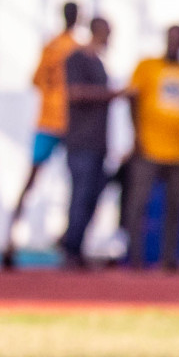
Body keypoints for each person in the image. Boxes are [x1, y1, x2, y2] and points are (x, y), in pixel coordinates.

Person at [3, 2, 80, 270]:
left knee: (31, 181)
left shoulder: (50, 46)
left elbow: (35, 80)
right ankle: (70, 245)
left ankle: (9, 239)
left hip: (47, 120)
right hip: (66, 122)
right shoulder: (76, 49)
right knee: (75, 183)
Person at [125, 25, 179, 271]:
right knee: (139, 204)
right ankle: (135, 258)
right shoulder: (147, 66)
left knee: (175, 209)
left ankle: (169, 260)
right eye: (171, 38)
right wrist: (136, 136)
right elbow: (133, 99)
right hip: (150, 147)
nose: (174, 43)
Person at [60, 17, 119, 268]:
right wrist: (112, 95)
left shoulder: (99, 63)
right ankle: (70, 248)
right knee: (81, 195)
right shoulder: (77, 59)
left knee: (92, 197)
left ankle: (76, 245)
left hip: (97, 143)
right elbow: (74, 93)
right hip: (80, 141)